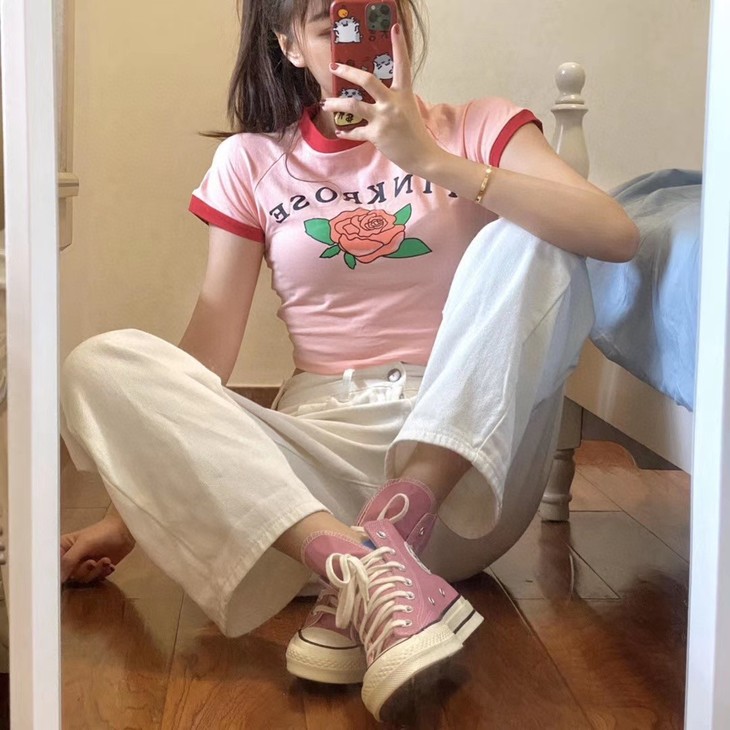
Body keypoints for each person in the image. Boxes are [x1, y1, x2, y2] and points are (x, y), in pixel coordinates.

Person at [59, 0, 639, 720]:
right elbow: (205, 358)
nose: (360, 40)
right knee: (100, 362)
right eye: (329, 24)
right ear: (289, 45)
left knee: (539, 229)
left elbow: (613, 233)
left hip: (467, 476)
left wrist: (432, 161)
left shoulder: (478, 126)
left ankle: (397, 525)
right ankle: (359, 566)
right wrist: (129, 517)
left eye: (377, 13)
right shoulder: (251, 162)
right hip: (313, 479)